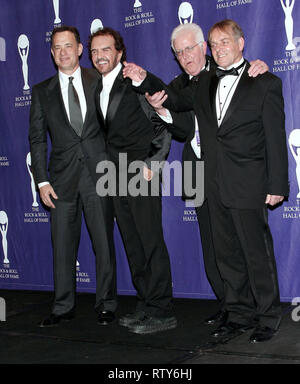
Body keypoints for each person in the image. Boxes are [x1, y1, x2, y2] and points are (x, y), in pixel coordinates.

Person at [124, 19, 289, 343]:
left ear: (241, 43)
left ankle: (268, 316)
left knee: (256, 253)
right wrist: (145, 81)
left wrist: (277, 185)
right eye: (214, 44)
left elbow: (274, 138)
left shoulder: (265, 81)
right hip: (211, 183)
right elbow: (173, 97)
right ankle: (239, 313)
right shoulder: (205, 81)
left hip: (248, 182)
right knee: (225, 255)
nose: (219, 49)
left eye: (224, 42)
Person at [88, 27, 175, 335]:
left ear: (119, 53)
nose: (100, 56)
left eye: (106, 50)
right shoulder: (96, 89)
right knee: (133, 243)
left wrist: (154, 163)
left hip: (142, 173)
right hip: (115, 176)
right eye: (95, 51)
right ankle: (146, 302)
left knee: (150, 241)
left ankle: (162, 308)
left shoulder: (135, 82)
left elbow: (161, 122)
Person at [29, 26, 117, 327]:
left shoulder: (100, 80)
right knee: (62, 245)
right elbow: (37, 139)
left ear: (80, 49)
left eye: (68, 45)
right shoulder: (42, 91)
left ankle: (106, 304)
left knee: (104, 243)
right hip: (60, 181)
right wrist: (41, 180)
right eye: (56, 47)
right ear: (52, 53)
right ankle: (63, 306)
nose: (62, 52)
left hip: (98, 174)